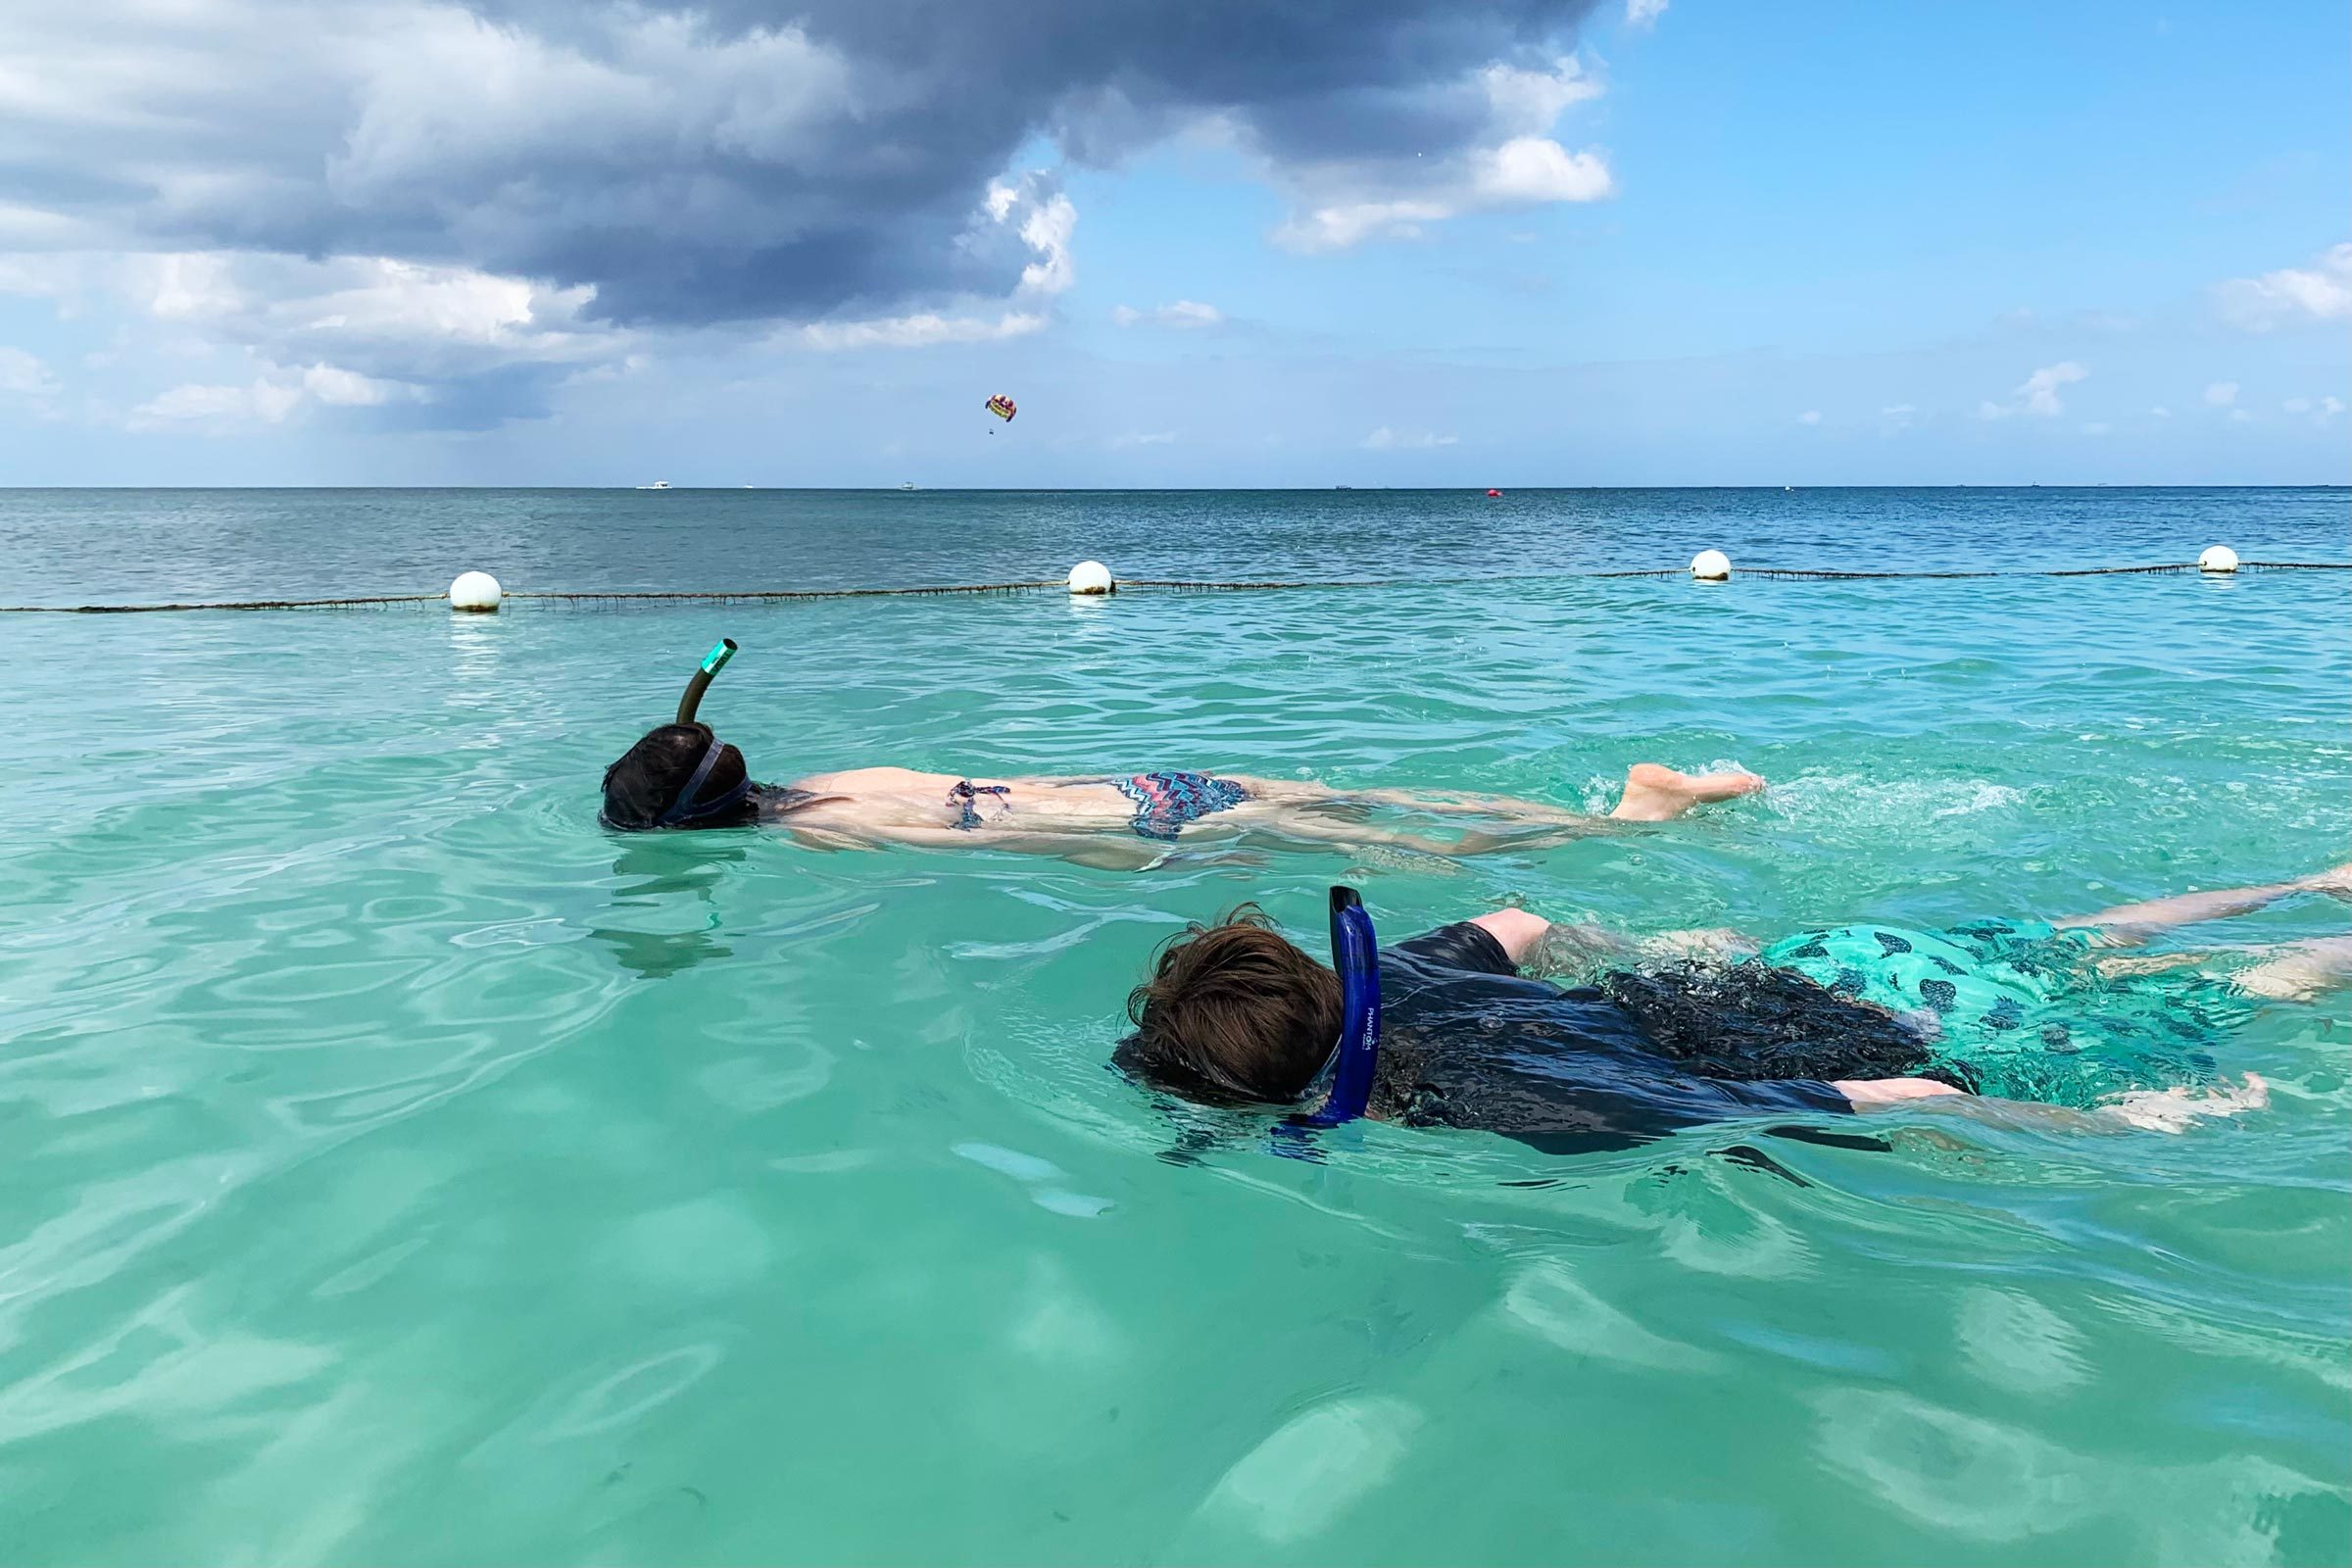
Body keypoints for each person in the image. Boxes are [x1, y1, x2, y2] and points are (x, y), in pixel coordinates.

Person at [1112, 866, 2352, 1152]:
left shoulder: (1513, 1106)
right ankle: (2311, 880)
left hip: (1914, 1030)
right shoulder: (1404, 971)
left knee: (2241, 996)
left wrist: (2137, 1126)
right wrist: (1640, 953)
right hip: (1820, 951)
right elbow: (1524, 917)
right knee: (2091, 936)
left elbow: (1910, 1094)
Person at [600, 642, 1761, 866]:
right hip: (1157, 773)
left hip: (1159, 824)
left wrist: (1171, 864)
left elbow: (1026, 846)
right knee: (1386, 796)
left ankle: (1625, 824)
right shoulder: (850, 773)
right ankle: (1641, 796)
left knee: (1419, 853)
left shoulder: (836, 826)